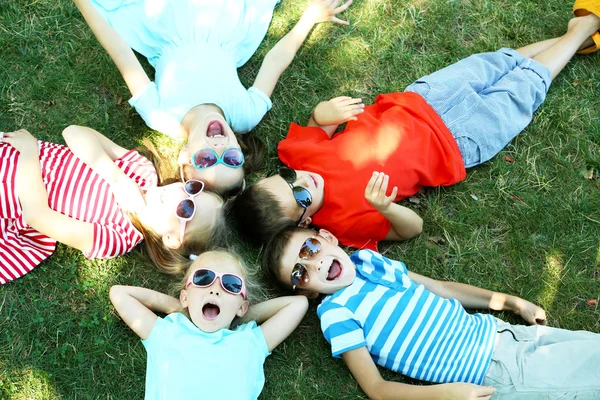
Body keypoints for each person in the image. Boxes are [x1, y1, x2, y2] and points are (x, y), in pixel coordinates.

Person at [231, 7, 600, 250]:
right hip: (457, 142)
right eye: (300, 198)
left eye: (288, 178)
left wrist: (326, 111)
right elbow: (411, 230)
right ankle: (583, 27)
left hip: (421, 101)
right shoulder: (344, 225)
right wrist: (387, 208)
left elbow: (316, 123)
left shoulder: (298, 156)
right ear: (304, 222)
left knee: (496, 63)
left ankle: (578, 38)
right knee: (526, 86)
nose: (303, 183)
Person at [262, 226, 600, 399]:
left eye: (310, 248)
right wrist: (446, 393)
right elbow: (377, 389)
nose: (314, 263)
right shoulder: (336, 313)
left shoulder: (370, 261)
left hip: (504, 334)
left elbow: (442, 287)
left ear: (327, 237)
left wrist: (511, 302)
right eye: (299, 272)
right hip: (493, 375)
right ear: (306, 290)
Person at [73, 0, 353, 196]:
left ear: (185, 158)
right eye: (231, 158)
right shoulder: (245, 115)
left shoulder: (160, 115)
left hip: (164, 22)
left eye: (206, 159)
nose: (219, 147)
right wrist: (309, 18)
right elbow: (275, 62)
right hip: (225, 22)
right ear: (240, 152)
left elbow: (120, 52)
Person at [0, 126, 225, 284]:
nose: (179, 193)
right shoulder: (142, 172)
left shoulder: (118, 238)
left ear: (172, 239)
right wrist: (116, 177)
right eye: (192, 188)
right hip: (9, 152)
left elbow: (37, 216)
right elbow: (73, 132)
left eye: (186, 208)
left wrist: (29, 153)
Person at [109, 250, 308, 399]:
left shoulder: (250, 342)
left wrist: (238, 315)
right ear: (185, 296)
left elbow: (298, 304)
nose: (214, 290)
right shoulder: (168, 332)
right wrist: (180, 308)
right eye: (203, 278)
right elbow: (119, 294)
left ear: (242, 305)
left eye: (231, 284)